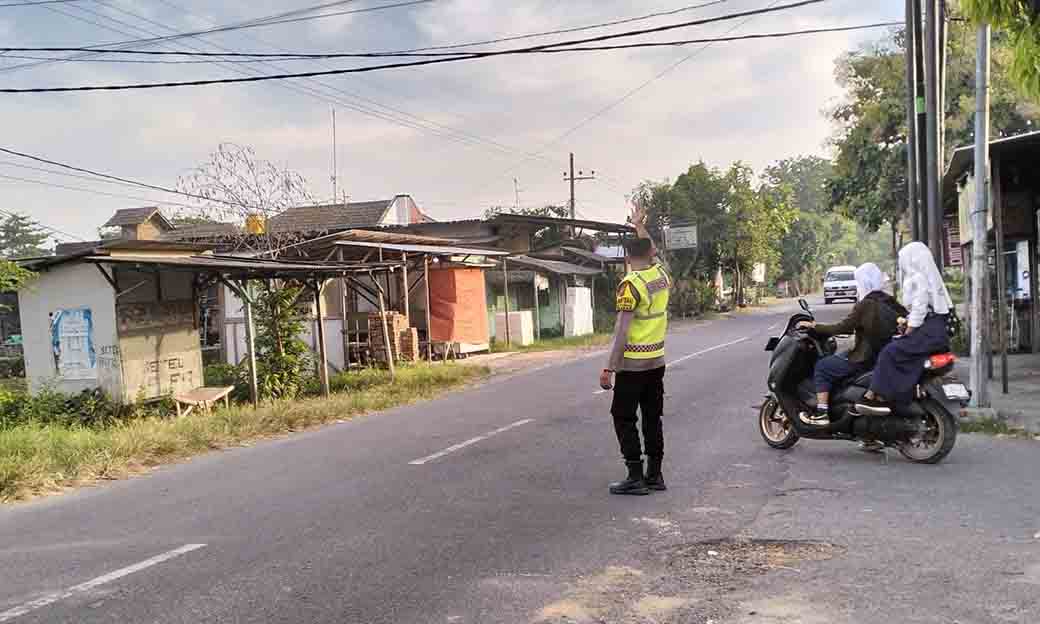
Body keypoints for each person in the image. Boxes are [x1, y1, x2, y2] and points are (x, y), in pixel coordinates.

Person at [599, 202, 670, 496]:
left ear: (627, 256)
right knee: (653, 417)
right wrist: (639, 226)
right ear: (650, 253)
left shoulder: (630, 285)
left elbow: (622, 331)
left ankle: (634, 476)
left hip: (632, 364)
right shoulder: (661, 277)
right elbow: (652, 251)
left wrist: (609, 367)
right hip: (657, 361)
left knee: (623, 416)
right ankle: (655, 475)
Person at [796, 263, 905, 426]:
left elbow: (842, 327)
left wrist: (814, 326)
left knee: (823, 367)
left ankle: (822, 413)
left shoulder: (865, 304)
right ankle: (868, 436)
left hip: (865, 358)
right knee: (841, 357)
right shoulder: (890, 301)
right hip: (885, 357)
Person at [856, 242, 953, 415]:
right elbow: (923, 310)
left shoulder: (917, 279)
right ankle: (899, 395)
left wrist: (908, 330)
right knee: (906, 355)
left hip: (928, 333)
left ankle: (872, 396)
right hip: (934, 331)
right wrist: (907, 323)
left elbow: (919, 310)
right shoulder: (928, 279)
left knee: (889, 352)